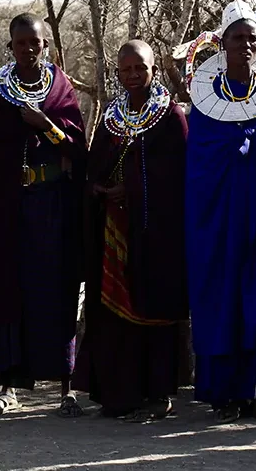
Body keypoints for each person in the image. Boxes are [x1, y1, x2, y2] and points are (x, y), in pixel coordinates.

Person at [185, 0, 256, 424]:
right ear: (223, 44)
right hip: (216, 217)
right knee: (221, 296)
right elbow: (201, 158)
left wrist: (252, 141)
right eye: (238, 37)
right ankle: (221, 393)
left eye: (253, 37)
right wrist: (236, 145)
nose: (247, 44)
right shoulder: (205, 100)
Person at [0, 13, 87, 417]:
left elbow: (77, 146)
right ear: (11, 46)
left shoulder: (60, 88)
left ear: (45, 45)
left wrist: (46, 126)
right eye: (20, 43)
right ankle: (9, 387)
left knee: (57, 289)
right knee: (10, 290)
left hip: (53, 202)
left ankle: (65, 388)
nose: (28, 49)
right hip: (10, 207)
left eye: (34, 43)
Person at [73, 40, 189, 422]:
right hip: (113, 231)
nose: (133, 76)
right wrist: (99, 188)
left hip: (154, 235)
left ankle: (157, 395)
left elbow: (177, 177)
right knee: (112, 315)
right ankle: (119, 393)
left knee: (151, 307)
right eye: (125, 70)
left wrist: (135, 190)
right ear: (117, 73)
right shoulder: (111, 118)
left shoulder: (171, 118)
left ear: (154, 70)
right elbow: (96, 165)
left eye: (140, 68)